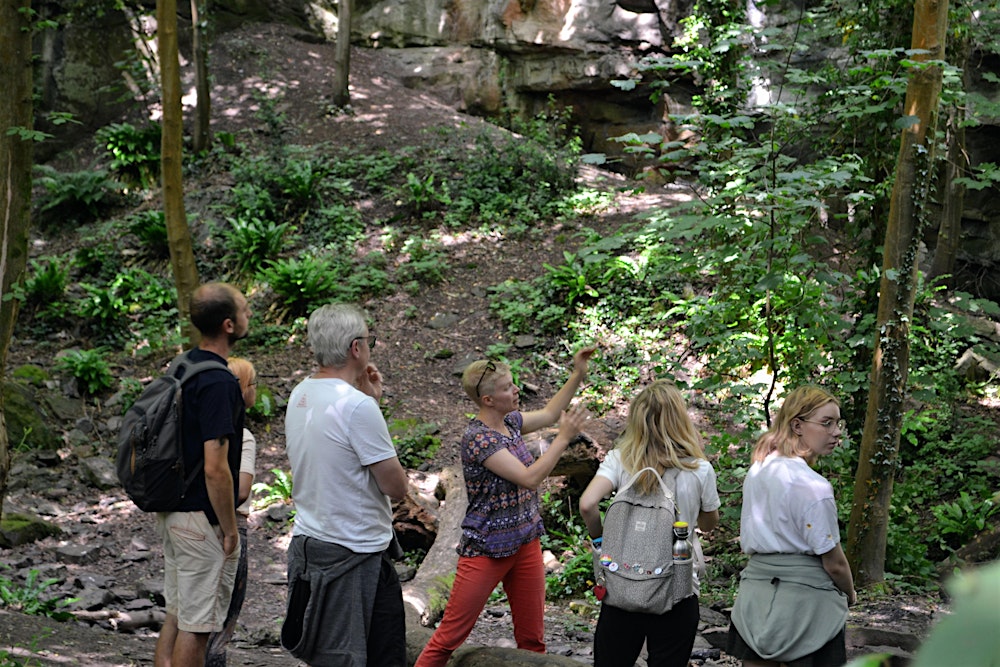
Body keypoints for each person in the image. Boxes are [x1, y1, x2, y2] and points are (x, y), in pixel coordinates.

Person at [414, 345, 596, 667]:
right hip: (487, 550)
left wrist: (578, 373)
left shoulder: (510, 422)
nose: (516, 390)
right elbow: (529, 478)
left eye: (513, 384)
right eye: (507, 388)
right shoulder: (479, 439)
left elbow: (551, 414)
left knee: (532, 640)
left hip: (525, 541)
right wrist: (563, 439)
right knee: (448, 639)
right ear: (488, 400)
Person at [282, 303, 409, 666]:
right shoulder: (356, 407)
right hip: (354, 550)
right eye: (369, 340)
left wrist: (369, 399)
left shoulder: (300, 394)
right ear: (356, 348)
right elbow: (395, 486)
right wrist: (371, 404)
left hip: (312, 540)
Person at [579, 380, 721, 667]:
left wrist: (601, 541)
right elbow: (708, 524)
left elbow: (587, 504)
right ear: (680, 419)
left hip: (623, 587)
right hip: (677, 590)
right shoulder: (699, 468)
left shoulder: (620, 460)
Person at [154, 282, 252, 667]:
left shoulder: (182, 365)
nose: (249, 316)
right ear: (228, 324)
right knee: (197, 627)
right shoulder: (218, 381)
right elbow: (216, 468)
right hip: (200, 519)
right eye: (244, 310)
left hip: (173, 510)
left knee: (178, 614)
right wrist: (229, 528)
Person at [726, 385, 857, 667]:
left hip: (756, 598)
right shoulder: (813, 486)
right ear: (797, 425)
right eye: (827, 423)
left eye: (838, 423)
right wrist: (850, 593)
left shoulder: (759, 469)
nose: (836, 432)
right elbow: (834, 563)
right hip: (807, 604)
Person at [205, 357, 258, 666]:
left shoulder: (202, 428)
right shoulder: (243, 436)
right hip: (230, 525)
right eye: (253, 384)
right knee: (224, 617)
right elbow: (241, 490)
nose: (256, 390)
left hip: (193, 523)